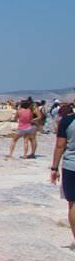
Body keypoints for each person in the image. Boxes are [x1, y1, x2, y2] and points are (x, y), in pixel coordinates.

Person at [49, 103, 75, 250]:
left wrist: (54, 167)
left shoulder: (67, 121)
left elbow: (60, 146)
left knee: (73, 203)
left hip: (71, 165)